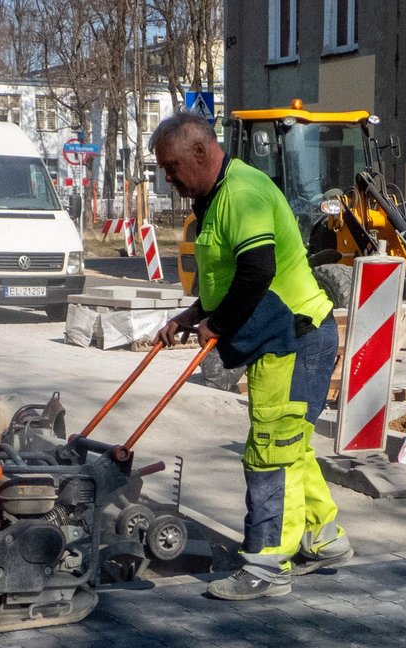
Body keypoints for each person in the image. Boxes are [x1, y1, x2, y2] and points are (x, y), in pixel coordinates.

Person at [151, 112, 353, 601]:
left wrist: (216, 326)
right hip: (282, 338)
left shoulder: (241, 194)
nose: (170, 180)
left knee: (270, 452)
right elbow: (230, 282)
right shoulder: (216, 199)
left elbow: (258, 271)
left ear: (200, 153)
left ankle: (267, 565)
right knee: (291, 446)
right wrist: (188, 316)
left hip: (295, 338)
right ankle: (323, 538)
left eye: (173, 167)